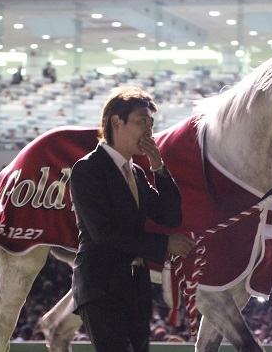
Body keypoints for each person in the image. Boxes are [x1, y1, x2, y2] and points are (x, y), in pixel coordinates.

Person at [69, 86, 196, 352]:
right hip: (101, 287)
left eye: (151, 124)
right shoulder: (87, 168)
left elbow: (171, 216)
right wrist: (164, 245)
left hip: (135, 288)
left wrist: (158, 166)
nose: (149, 131)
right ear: (117, 122)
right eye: (141, 122)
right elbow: (104, 233)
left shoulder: (137, 173)